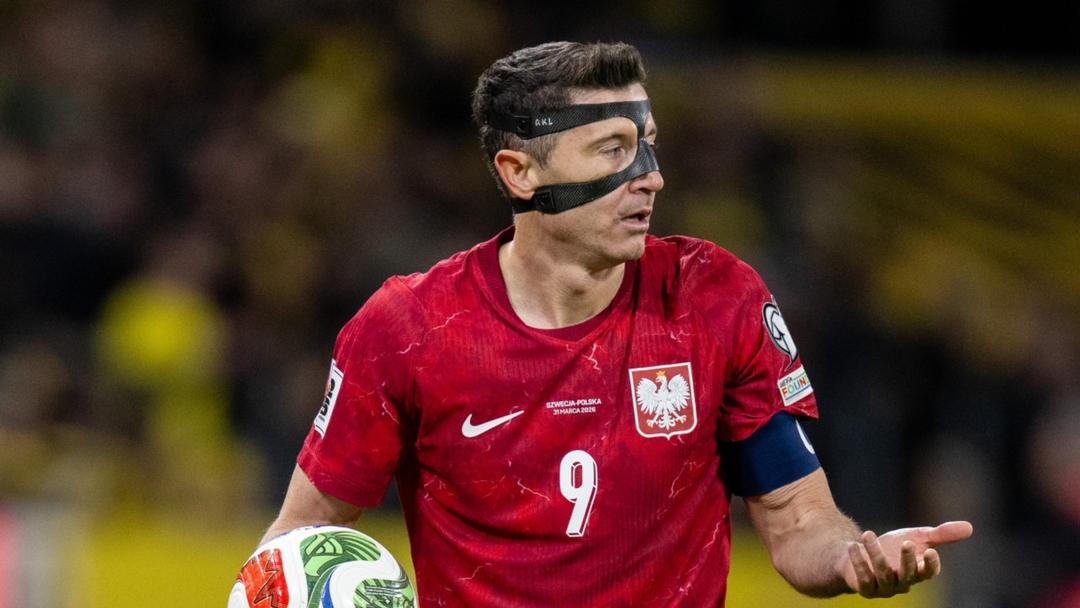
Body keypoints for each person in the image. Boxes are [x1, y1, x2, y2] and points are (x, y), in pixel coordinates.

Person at [252, 41, 972, 606]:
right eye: (613, 150)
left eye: (649, 143)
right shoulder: (408, 328)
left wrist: (851, 558)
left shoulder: (716, 298)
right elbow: (300, 539)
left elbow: (796, 522)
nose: (650, 175)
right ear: (520, 172)